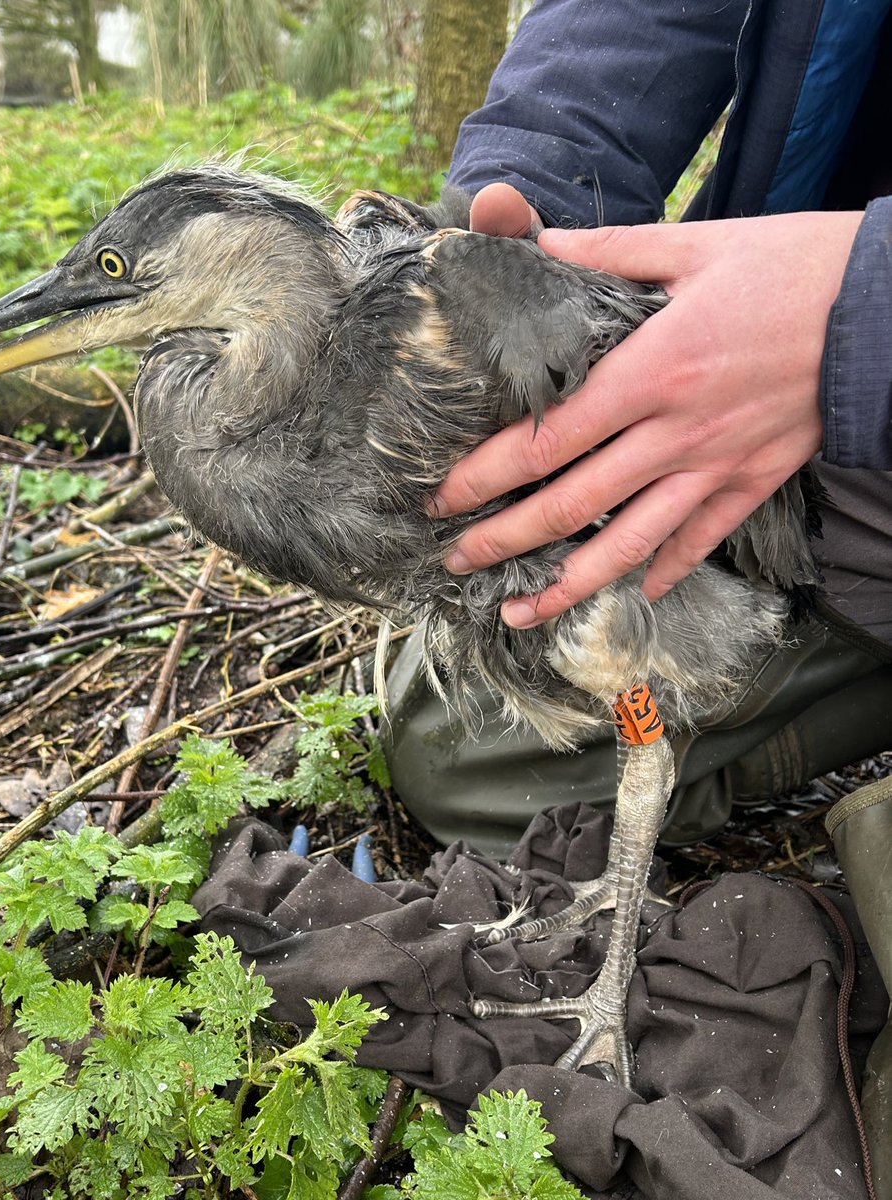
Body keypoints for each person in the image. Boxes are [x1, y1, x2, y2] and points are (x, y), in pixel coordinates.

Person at [381, 0, 892, 1188]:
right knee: (465, 734)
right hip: (819, 441)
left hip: (845, 341)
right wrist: (526, 191)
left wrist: (859, 315)